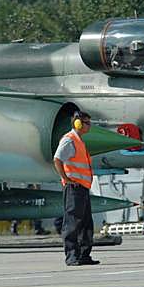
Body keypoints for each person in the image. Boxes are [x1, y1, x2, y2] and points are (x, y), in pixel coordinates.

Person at [53, 112, 99, 266]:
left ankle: (84, 255)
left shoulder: (79, 141)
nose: (89, 126)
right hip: (74, 188)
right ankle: (72, 256)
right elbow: (57, 159)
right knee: (72, 223)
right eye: (87, 123)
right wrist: (66, 180)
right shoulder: (69, 140)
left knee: (86, 224)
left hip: (82, 188)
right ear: (78, 124)